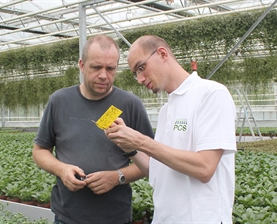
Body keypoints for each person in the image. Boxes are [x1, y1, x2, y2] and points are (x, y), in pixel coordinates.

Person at [105, 35, 237, 223]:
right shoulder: (166, 109)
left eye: (141, 68)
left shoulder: (211, 95)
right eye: (136, 74)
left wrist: (142, 141)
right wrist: (129, 148)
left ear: (162, 53)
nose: (140, 79)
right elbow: (159, 172)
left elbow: (205, 168)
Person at [32, 34, 154, 224]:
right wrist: (61, 169)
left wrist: (117, 177)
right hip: (67, 217)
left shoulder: (130, 105)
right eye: (96, 67)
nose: (103, 75)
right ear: (82, 65)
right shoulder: (60, 101)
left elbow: (151, 162)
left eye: (110, 68)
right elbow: (40, 150)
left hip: (116, 217)